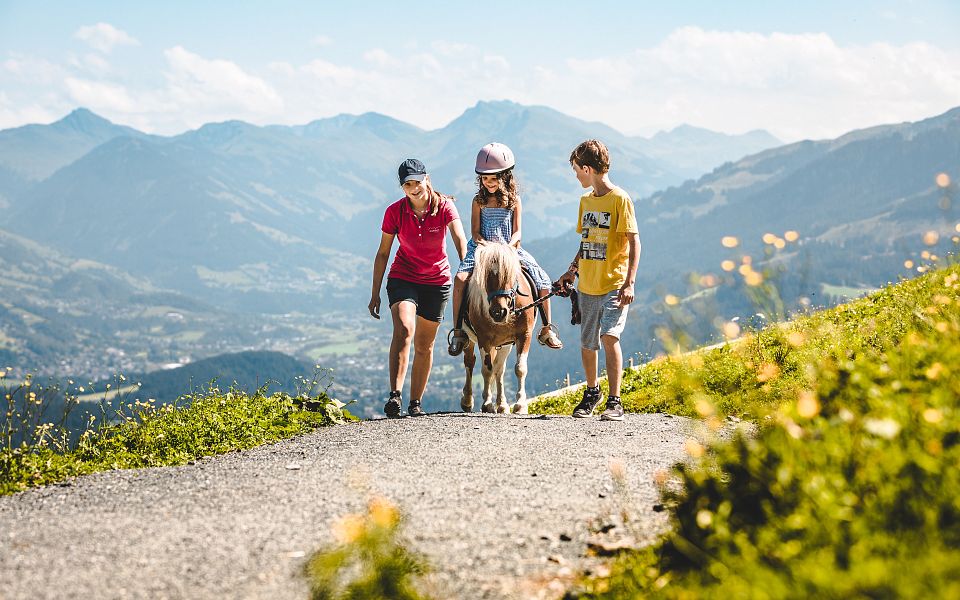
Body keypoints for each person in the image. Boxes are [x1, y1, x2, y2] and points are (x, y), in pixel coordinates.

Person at [369, 158, 468, 418]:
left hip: (437, 282)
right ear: (402, 187)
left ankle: (415, 403)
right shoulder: (394, 212)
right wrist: (375, 292)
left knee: (424, 345)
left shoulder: (445, 206)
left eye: (417, 182)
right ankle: (395, 396)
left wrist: (466, 269)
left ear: (427, 179)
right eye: (407, 184)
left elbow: (459, 239)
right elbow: (382, 254)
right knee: (404, 328)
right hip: (404, 276)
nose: (414, 188)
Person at [446, 142, 563, 356]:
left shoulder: (514, 200)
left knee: (542, 279)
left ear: (506, 176)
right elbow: (475, 232)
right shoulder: (478, 201)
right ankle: (458, 331)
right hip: (482, 250)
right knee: (461, 279)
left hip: (510, 250)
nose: (489, 183)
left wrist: (509, 247)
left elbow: (517, 232)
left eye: (494, 178)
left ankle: (547, 328)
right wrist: (486, 247)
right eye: (485, 178)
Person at [555, 140, 640, 422]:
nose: (576, 176)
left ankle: (615, 401)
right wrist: (572, 270)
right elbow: (587, 239)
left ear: (588, 169)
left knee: (609, 336)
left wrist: (630, 283)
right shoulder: (586, 201)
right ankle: (592, 393)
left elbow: (634, 241)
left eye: (577, 170)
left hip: (614, 283)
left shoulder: (620, 199)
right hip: (587, 284)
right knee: (588, 342)